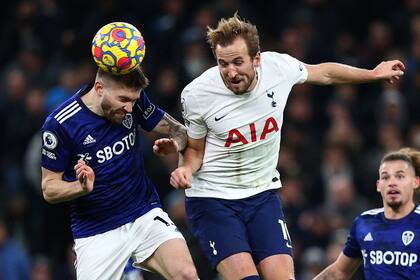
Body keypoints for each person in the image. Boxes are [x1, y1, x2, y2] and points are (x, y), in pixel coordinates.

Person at [169, 13, 405, 280]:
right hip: (213, 199)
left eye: (238, 62)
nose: (231, 72)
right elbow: (195, 150)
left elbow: (323, 73)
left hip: (261, 194)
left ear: (257, 59)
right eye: (223, 64)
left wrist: (372, 74)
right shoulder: (197, 94)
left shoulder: (278, 68)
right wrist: (185, 169)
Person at [40, 67, 198, 280]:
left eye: (134, 100)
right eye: (123, 99)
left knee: (187, 274)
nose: (130, 108)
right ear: (99, 88)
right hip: (96, 231)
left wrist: (176, 145)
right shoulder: (60, 124)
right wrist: (80, 187)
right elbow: (49, 188)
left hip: (143, 213)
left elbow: (179, 131)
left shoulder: (134, 101)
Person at [314, 148, 420, 279]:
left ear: (415, 182)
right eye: (385, 177)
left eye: (400, 176)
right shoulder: (365, 222)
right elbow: (338, 272)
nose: (392, 183)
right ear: (378, 185)